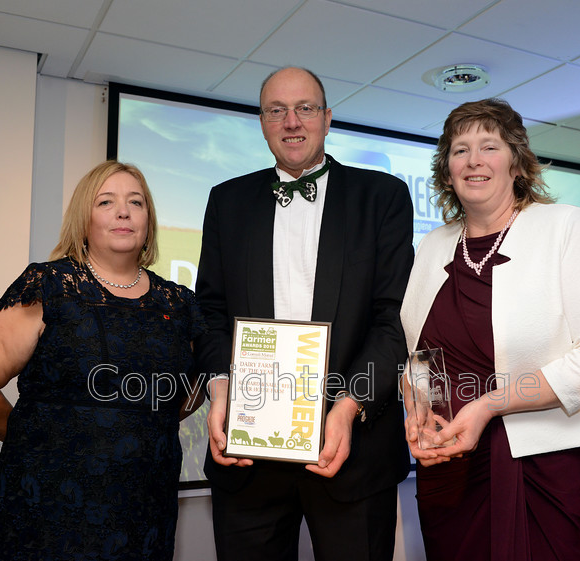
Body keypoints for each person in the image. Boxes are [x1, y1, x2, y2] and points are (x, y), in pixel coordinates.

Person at [195, 66, 413, 561]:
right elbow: (207, 311)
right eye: (277, 110)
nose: (292, 122)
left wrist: (348, 406)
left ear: (328, 118)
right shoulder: (226, 201)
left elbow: (392, 320)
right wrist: (218, 384)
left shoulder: (382, 198)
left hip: (352, 451)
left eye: (305, 109)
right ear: (262, 122)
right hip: (247, 457)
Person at [400, 98, 580, 561]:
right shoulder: (433, 245)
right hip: (450, 467)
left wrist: (489, 405)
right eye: (460, 150)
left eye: (490, 146)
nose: (474, 160)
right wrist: (417, 414)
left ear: (517, 162)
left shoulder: (565, 227)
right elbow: (416, 358)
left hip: (544, 465)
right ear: (446, 171)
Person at [0, 161, 206, 560]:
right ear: (83, 219)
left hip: (146, 507)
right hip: (53, 509)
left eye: (136, 202)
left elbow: (190, 391)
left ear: (148, 220)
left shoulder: (179, 302)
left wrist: (140, 425)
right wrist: (37, 441)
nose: (124, 211)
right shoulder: (48, 286)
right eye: (107, 201)